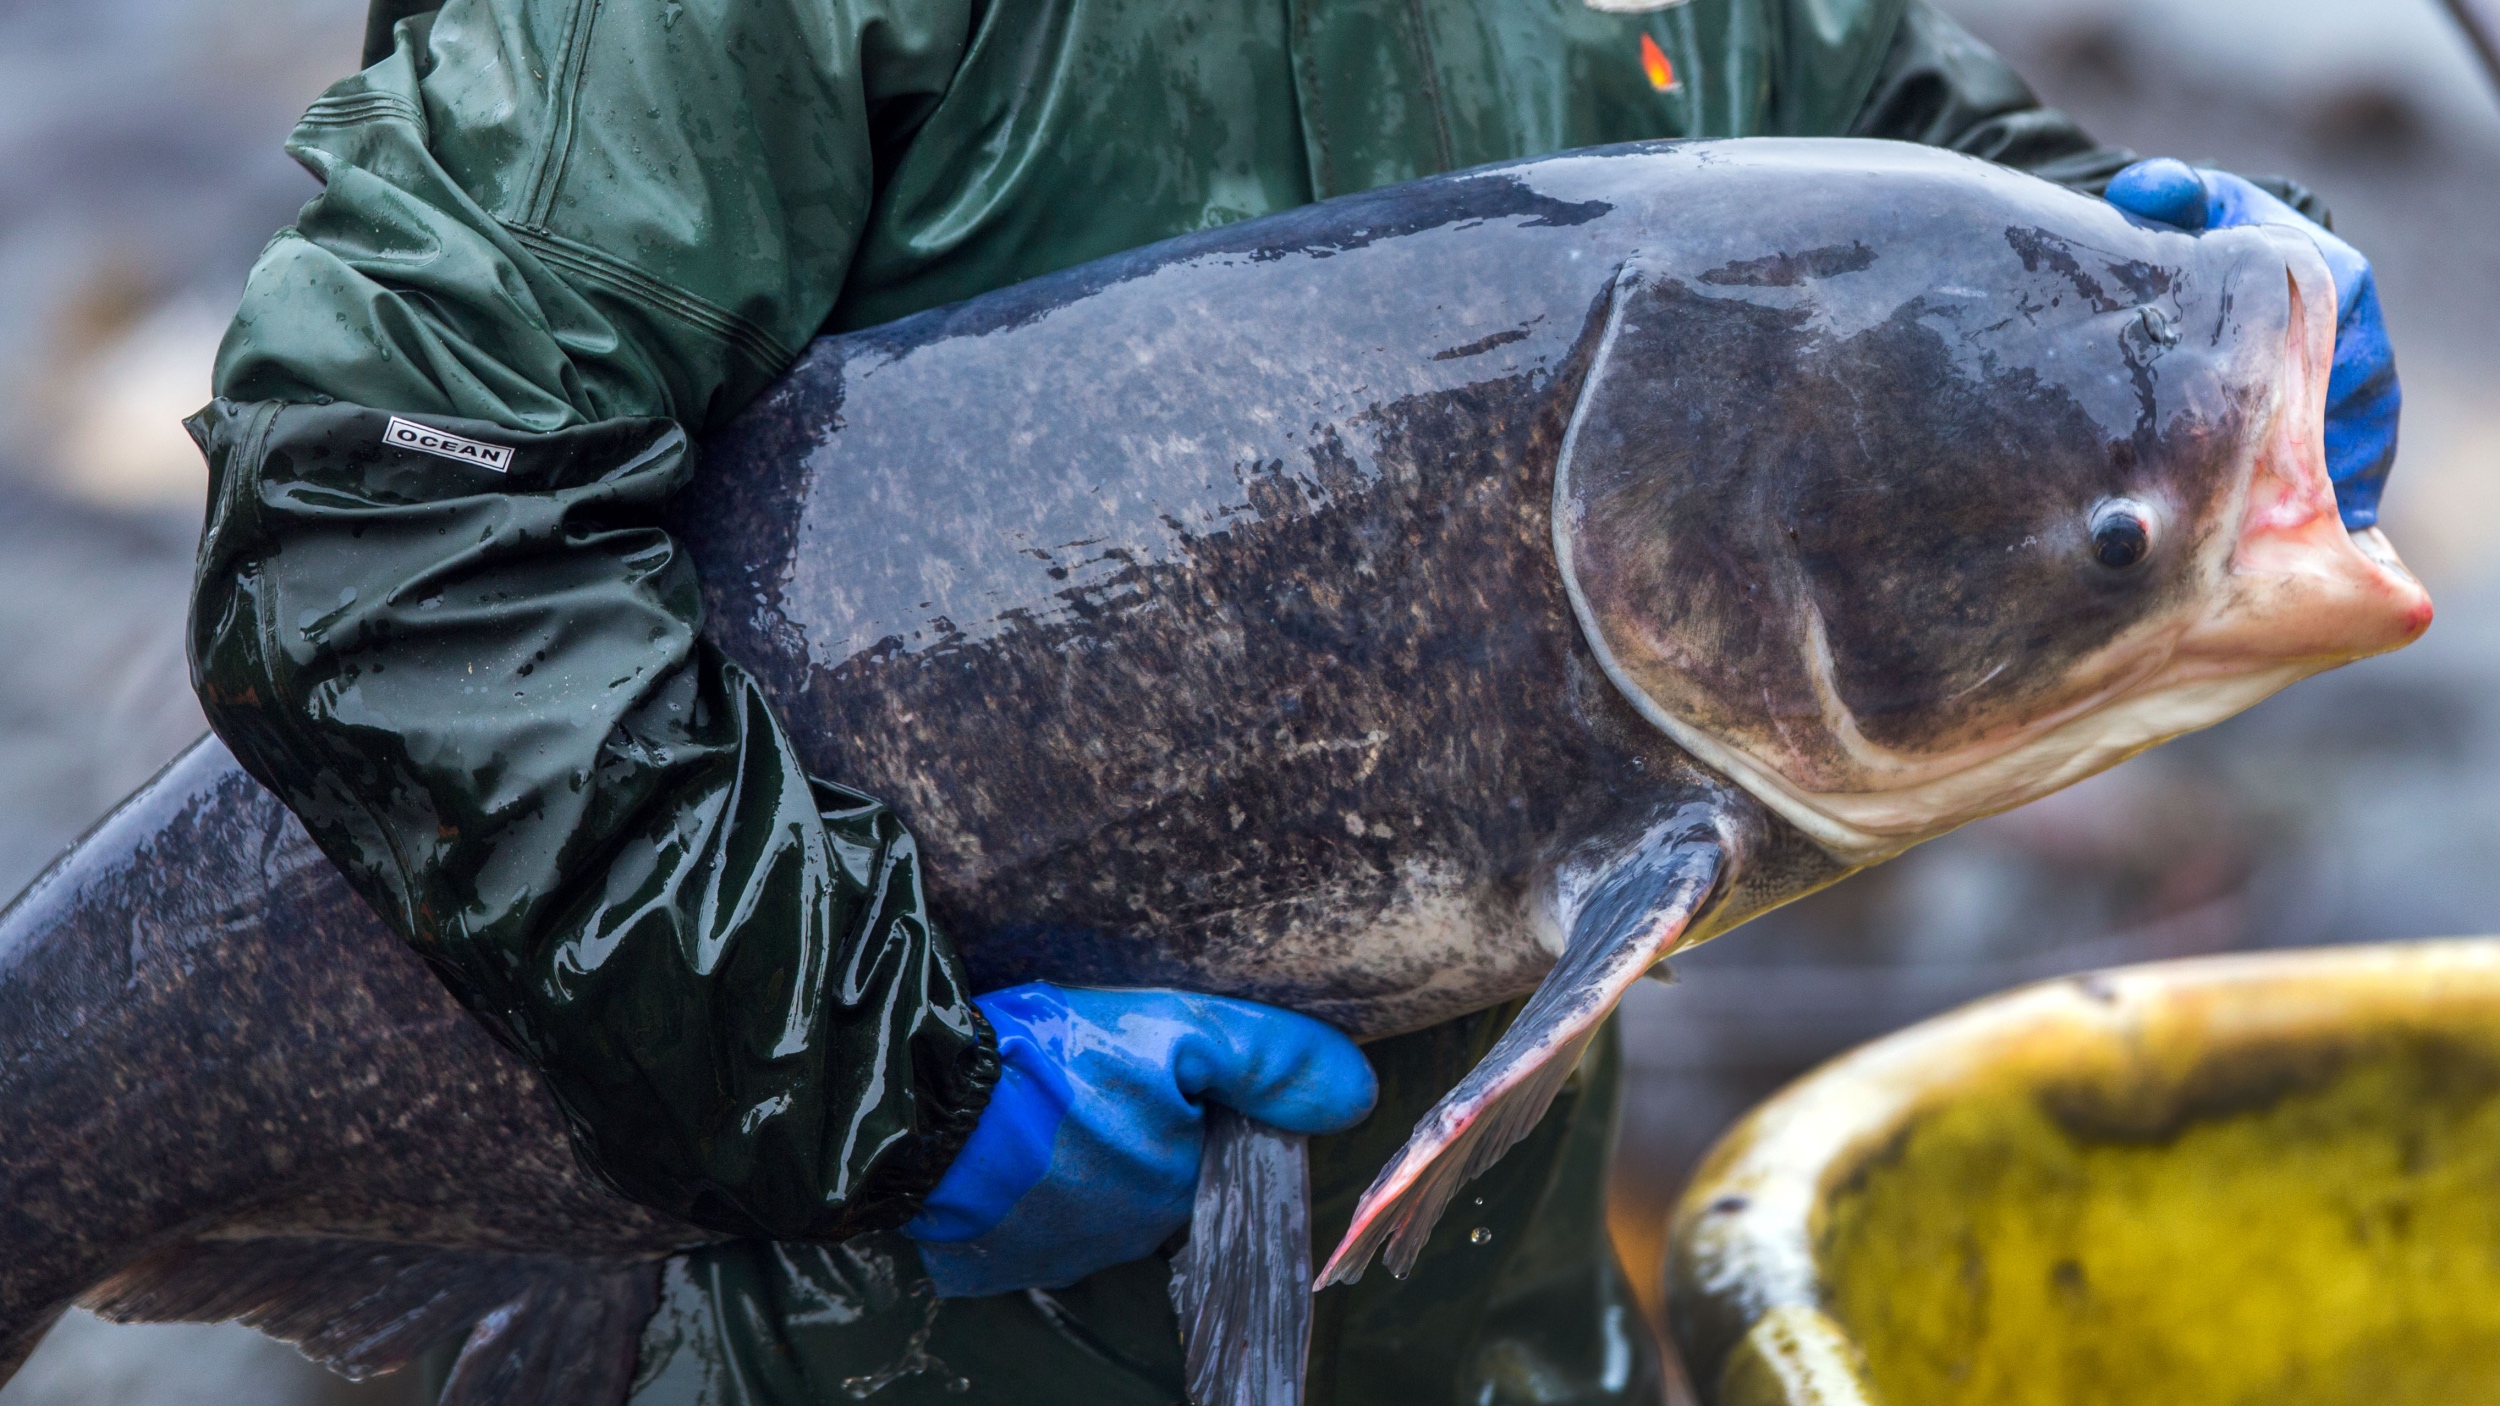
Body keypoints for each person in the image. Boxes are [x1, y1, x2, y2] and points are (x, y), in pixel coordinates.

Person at [186, 0, 2396, 1399]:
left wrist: (2210, 286)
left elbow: (1932, 209)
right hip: (792, 1346)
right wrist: (880, 1091)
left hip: (1488, 1342)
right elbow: (383, 505)